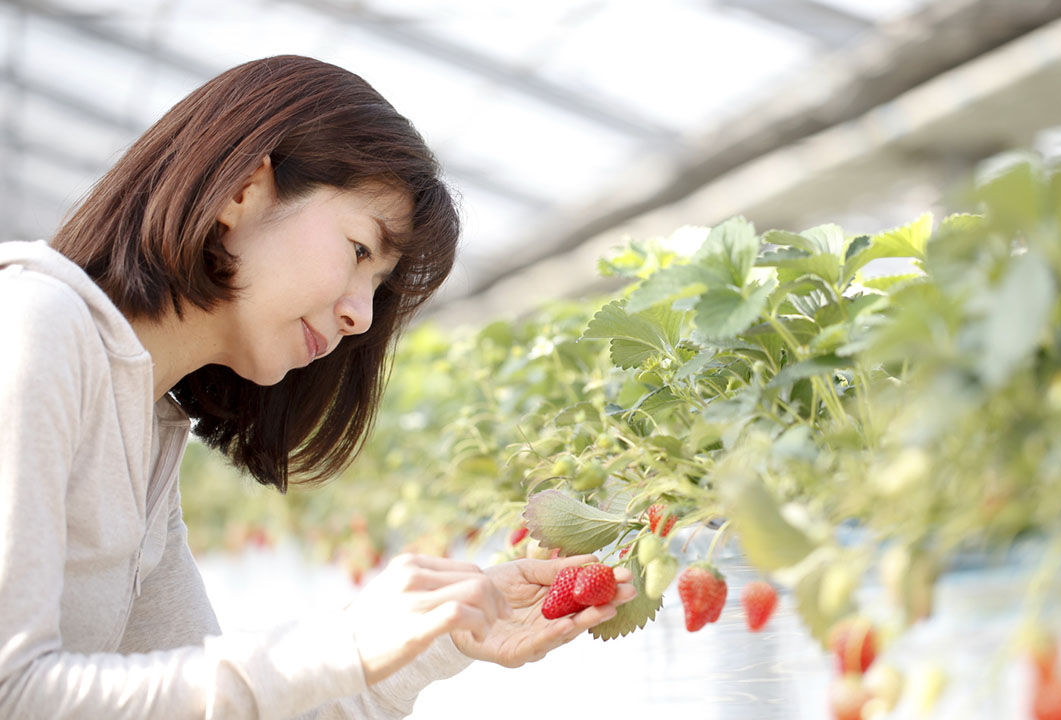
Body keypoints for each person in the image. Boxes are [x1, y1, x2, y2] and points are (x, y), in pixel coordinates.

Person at [0, 55, 634, 718]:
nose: (361, 316)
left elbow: (213, 708)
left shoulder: (145, 429)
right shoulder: (33, 324)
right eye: (361, 250)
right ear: (243, 188)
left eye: (379, 288)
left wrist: (440, 635)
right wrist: (345, 643)